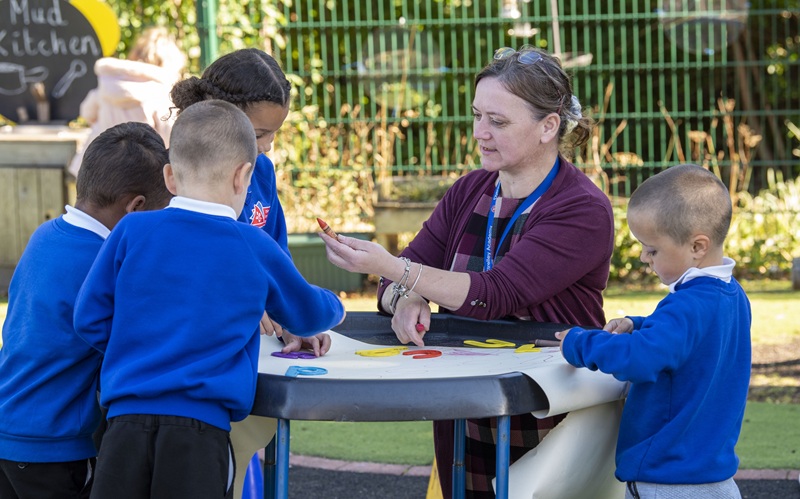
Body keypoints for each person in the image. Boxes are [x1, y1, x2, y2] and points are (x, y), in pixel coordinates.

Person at [321, 46, 614, 498]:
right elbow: (394, 282)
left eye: (498, 122)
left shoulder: (581, 208)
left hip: (551, 410)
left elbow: (494, 293)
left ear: (548, 127)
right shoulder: (471, 189)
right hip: (465, 408)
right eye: (478, 116)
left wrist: (395, 268)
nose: (480, 132)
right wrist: (407, 297)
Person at [73, 100, 345, 499]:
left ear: (169, 176)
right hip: (200, 432)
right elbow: (306, 314)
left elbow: (88, 319)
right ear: (244, 177)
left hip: (123, 425)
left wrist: (138, 349)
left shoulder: (131, 230)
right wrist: (335, 304)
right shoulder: (252, 243)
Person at [169, 48, 332, 497]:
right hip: (199, 374)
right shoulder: (182, 172)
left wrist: (294, 321)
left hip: (253, 359)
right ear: (224, 118)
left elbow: (275, 259)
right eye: (260, 133)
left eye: (274, 134)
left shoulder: (260, 171)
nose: (268, 146)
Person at [556, 163, 751, 499]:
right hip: (712, 477)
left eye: (652, 249)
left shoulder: (686, 306)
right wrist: (640, 324)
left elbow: (640, 359)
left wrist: (580, 342)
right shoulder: (731, 295)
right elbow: (695, 341)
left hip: (668, 479)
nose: (644, 258)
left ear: (697, 247)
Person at [0, 122, 173, 499]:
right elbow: (134, 341)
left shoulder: (45, 234)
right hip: (53, 443)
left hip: (9, 425)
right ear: (137, 207)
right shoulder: (104, 263)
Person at [68, 26, 187, 178]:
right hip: (139, 173)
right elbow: (171, 136)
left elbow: (86, 112)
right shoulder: (162, 93)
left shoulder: (110, 83)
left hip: (96, 168)